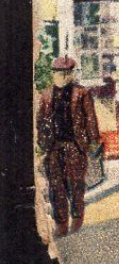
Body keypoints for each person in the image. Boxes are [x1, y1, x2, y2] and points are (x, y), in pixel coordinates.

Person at [36, 56, 100, 237]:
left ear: (71, 74)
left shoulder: (81, 93)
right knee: (56, 187)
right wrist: (42, 144)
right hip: (54, 147)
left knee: (76, 185)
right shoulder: (46, 94)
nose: (61, 77)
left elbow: (90, 118)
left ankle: (77, 221)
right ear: (53, 74)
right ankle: (61, 224)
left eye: (65, 73)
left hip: (75, 146)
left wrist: (94, 141)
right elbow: (41, 121)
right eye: (57, 73)